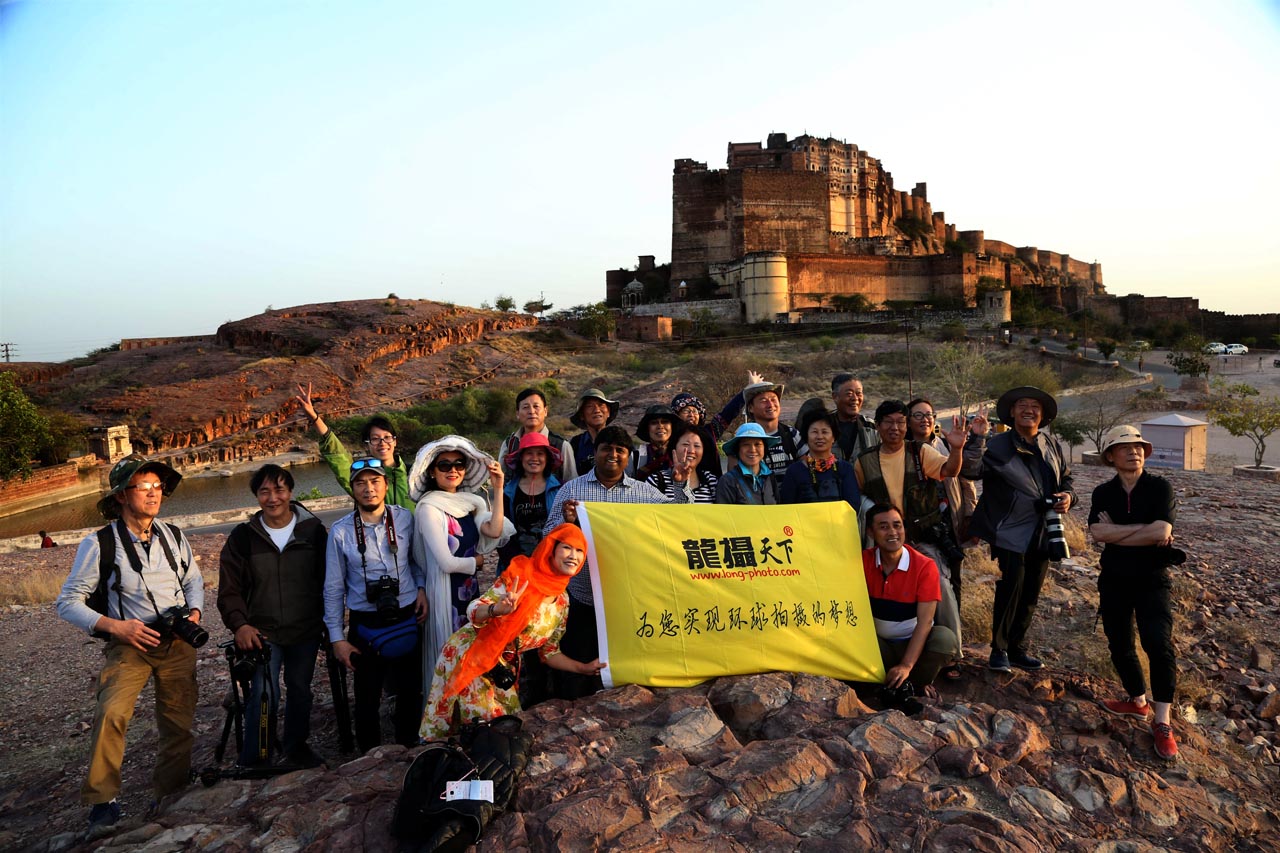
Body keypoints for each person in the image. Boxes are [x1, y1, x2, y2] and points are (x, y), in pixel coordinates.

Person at [56, 454, 204, 829]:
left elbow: (193, 580)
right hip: (129, 644)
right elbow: (67, 602)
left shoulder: (174, 536)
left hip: (177, 642)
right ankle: (102, 801)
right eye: (143, 487)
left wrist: (195, 612)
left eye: (158, 486)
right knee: (111, 714)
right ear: (122, 495)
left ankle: (171, 793)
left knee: (178, 723)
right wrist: (117, 628)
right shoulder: (99, 544)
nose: (153, 494)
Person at [419, 524, 607, 739]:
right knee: (486, 731)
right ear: (551, 549)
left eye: (579, 550)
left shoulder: (562, 601)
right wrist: (497, 609)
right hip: (472, 656)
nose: (573, 555)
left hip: (503, 668)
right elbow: (473, 610)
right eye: (567, 547)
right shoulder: (521, 577)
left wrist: (583, 668)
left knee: (500, 731)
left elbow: (549, 652)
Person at [544, 425, 669, 698]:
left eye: (620, 450)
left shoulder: (644, 494)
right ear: (595, 452)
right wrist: (567, 522)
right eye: (606, 449)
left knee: (622, 670)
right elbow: (547, 536)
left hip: (626, 600)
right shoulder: (572, 490)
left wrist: (682, 486)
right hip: (581, 595)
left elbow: (677, 521)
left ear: (628, 456)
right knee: (578, 668)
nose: (613, 454)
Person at [217, 464, 328, 768]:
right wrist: (240, 625)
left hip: (305, 629)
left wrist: (329, 624)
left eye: (279, 489)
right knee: (265, 693)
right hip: (261, 632)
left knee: (301, 690)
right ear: (257, 496)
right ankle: (257, 757)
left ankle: (296, 749)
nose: (272, 498)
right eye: (264, 491)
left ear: (290, 492)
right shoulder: (243, 537)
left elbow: (329, 581)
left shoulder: (313, 532)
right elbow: (229, 589)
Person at [962, 386, 1076, 673]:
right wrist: (977, 438)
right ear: (1012, 412)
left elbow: (1066, 479)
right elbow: (971, 471)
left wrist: (1068, 497)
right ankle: (999, 650)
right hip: (1009, 529)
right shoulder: (998, 445)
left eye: (1035, 406)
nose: (1029, 410)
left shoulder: (1051, 444)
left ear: (1042, 414)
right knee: (1011, 586)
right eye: (1022, 405)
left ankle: (1017, 648)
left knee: (1031, 591)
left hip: (1045, 528)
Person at [1088, 425, 1182, 761]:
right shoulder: (1103, 492)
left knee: (1158, 644)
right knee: (1120, 642)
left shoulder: (1159, 487)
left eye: (1139, 447)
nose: (1134, 452)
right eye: (1125, 447)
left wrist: (1117, 532)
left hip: (1152, 578)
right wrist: (1143, 532)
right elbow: (1097, 533)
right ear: (1111, 456)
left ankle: (1162, 720)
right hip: (1114, 578)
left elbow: (1163, 530)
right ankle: (1138, 701)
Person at [324, 458, 427, 752]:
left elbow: (415, 561)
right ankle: (370, 756)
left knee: (411, 689)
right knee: (366, 695)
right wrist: (337, 638)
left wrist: (420, 587)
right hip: (366, 622)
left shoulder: (404, 519)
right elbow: (333, 588)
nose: (368, 489)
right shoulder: (341, 532)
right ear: (352, 489)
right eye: (360, 483)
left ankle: (409, 749)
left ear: (385, 484)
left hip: (407, 614)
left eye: (374, 481)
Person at [408, 436, 514, 687]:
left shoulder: (470, 503)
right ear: (432, 472)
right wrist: (477, 562)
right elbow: (446, 562)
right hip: (445, 593)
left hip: (468, 592)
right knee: (450, 655)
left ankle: (470, 705)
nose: (453, 470)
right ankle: (446, 707)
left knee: (469, 652)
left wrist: (498, 488)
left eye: (459, 464)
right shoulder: (429, 508)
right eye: (444, 465)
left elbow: (494, 530)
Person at [862, 504, 958, 714]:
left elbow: (925, 622)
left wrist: (906, 665)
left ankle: (912, 682)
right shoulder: (863, 562)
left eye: (897, 525)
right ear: (870, 532)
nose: (892, 532)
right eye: (883, 527)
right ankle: (897, 683)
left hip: (914, 645)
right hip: (879, 646)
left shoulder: (924, 566)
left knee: (945, 640)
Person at [907, 397, 977, 679]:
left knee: (953, 584)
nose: (925, 419)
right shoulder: (903, 450)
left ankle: (950, 648)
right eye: (918, 415)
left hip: (949, 525)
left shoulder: (945, 445)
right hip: (919, 531)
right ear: (907, 420)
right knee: (926, 588)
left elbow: (965, 479)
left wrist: (970, 514)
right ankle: (931, 646)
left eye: (929, 414)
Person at [294, 382, 414, 510]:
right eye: (375, 439)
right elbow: (338, 457)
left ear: (395, 441)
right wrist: (314, 418)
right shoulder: (361, 479)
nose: (382, 443)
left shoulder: (414, 476)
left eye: (387, 437)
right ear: (367, 444)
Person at [668, 369, 761, 476]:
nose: (691, 414)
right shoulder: (670, 437)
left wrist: (748, 390)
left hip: (711, 484)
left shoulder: (710, 431)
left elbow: (728, 412)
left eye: (695, 411)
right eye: (686, 411)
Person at [497, 432, 563, 574]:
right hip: (516, 567)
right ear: (521, 457)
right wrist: (516, 566)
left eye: (540, 454)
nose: (534, 458)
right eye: (529, 453)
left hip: (551, 567)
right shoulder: (508, 492)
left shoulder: (560, 489)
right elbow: (502, 533)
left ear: (547, 458)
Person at [780, 398, 860, 509]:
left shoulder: (845, 469)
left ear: (833, 437)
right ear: (806, 436)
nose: (820, 437)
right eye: (814, 432)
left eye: (825, 432)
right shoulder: (794, 471)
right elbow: (786, 507)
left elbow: (853, 506)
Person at [497, 388, 577, 483]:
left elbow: (572, 483)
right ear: (517, 414)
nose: (531, 411)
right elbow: (500, 481)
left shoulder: (561, 445)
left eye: (536, 406)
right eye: (525, 407)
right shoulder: (510, 444)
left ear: (545, 411)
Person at [742, 379, 805, 490]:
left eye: (773, 399)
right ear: (750, 408)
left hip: (792, 498)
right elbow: (736, 480)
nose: (770, 404)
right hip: (759, 499)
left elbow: (806, 471)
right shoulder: (743, 439)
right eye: (763, 400)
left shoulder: (792, 434)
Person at [714, 423, 781, 505]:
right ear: (738, 449)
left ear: (764, 448)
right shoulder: (728, 481)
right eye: (746, 444)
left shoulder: (770, 477)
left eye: (757, 444)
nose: (752, 450)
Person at [647, 429, 720, 503]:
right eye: (686, 444)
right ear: (674, 448)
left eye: (697, 446)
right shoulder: (656, 480)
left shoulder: (711, 481)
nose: (691, 451)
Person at [567, 388, 619, 474]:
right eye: (590, 406)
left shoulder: (620, 441)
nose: (597, 410)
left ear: (608, 412)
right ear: (582, 415)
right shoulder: (575, 444)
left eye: (601, 405)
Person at [831, 373, 878, 463]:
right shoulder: (823, 426)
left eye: (858, 393)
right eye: (849, 394)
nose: (855, 398)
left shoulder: (872, 427)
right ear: (835, 397)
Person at [629, 404, 683, 481]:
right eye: (654, 423)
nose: (660, 426)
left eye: (665, 422)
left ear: (672, 427)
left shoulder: (682, 455)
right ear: (647, 428)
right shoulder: (635, 457)